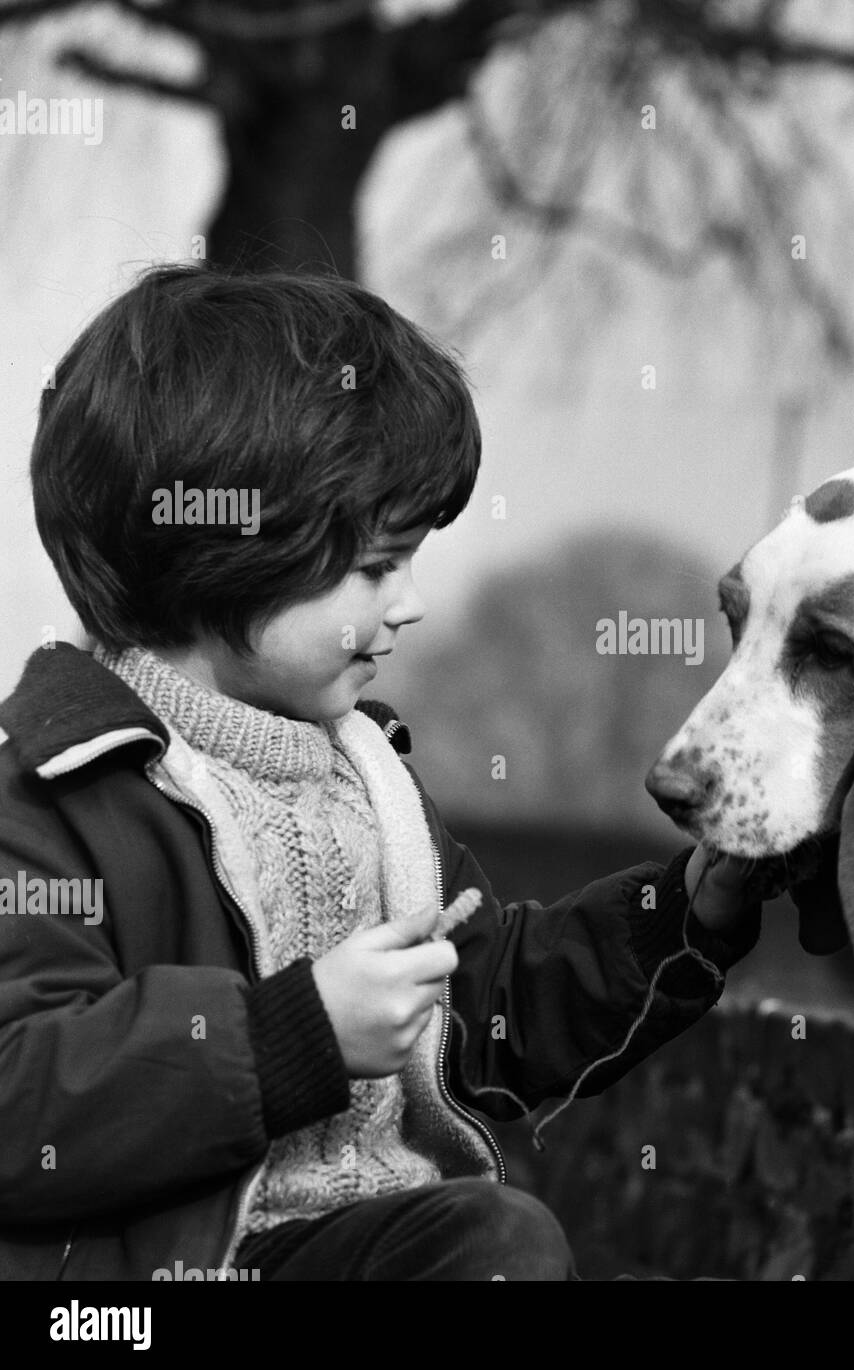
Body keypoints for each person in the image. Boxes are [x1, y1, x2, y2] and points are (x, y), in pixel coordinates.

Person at [0, 263, 796, 1281]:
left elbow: (491, 994)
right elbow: (21, 1095)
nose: (410, 601)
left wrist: (687, 907)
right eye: (376, 566)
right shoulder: (52, 793)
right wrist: (293, 1037)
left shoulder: (364, 774)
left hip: (374, 1242)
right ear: (222, 550)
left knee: (495, 1236)